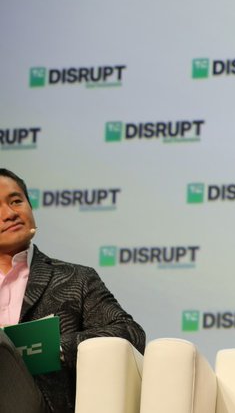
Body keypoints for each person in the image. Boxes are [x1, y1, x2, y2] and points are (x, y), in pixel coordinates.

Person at [0, 168, 146, 413]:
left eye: (16, 201)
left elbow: (130, 333)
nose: (10, 213)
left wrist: (50, 347)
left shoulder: (75, 279)